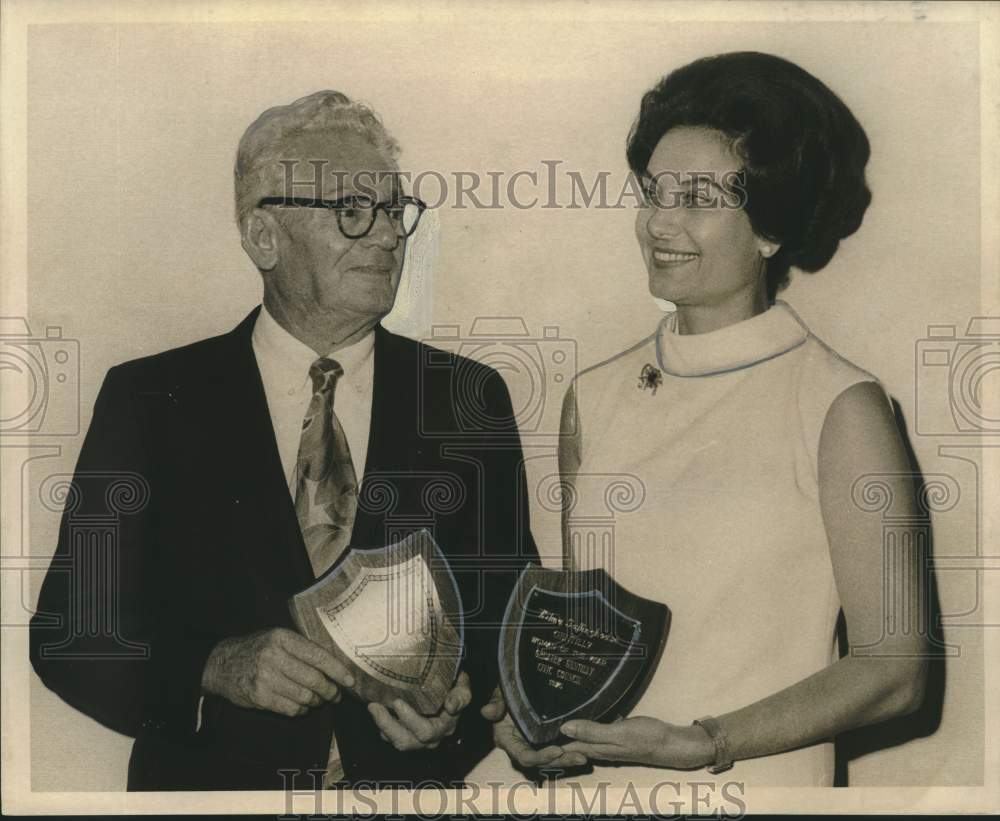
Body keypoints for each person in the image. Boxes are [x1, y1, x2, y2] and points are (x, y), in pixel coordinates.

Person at [29, 90, 539, 790]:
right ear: (263, 236)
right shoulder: (150, 400)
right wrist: (211, 668)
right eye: (354, 211)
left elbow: (509, 619)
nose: (390, 236)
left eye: (395, 211)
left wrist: (462, 698)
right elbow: (68, 635)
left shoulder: (465, 399)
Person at [488, 51, 929, 787]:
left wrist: (703, 741)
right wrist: (525, 715)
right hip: (604, 791)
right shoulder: (592, 397)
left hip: (755, 786)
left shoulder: (838, 405)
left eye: (696, 196)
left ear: (770, 228)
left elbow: (896, 669)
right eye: (653, 191)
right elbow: (583, 639)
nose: (659, 221)